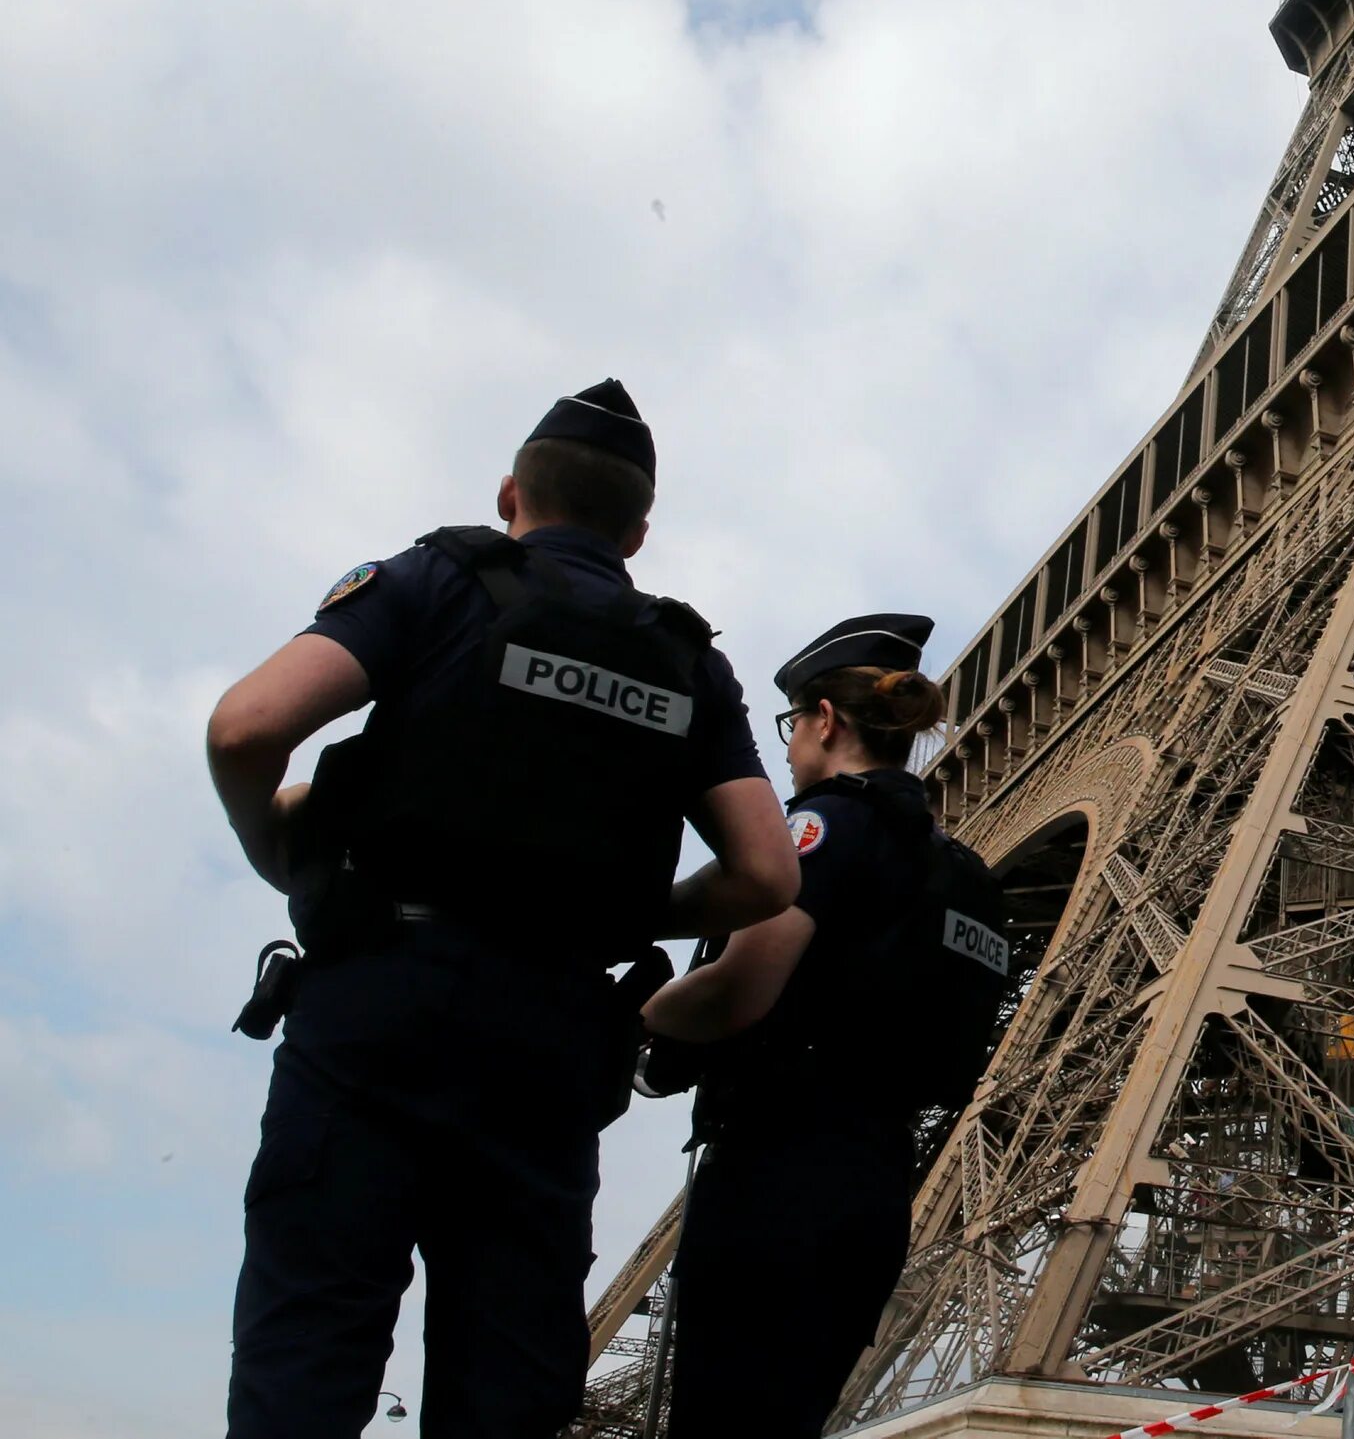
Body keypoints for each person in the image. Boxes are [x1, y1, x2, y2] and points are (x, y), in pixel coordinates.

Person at [208, 379, 801, 1438]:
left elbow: (246, 727)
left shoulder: (439, 580)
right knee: (510, 1376)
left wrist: (284, 860)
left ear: (509, 493)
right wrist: (628, 913)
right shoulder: (687, 660)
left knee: (311, 1345)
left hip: (379, 1001)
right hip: (554, 1032)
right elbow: (766, 874)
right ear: (638, 533)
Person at [642, 612, 1013, 1439]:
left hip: (778, 1167)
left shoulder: (824, 828)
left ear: (826, 720)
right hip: (878, 1186)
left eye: (792, 724)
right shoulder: (963, 873)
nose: (787, 746)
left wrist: (641, 1017)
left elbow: (740, 988)